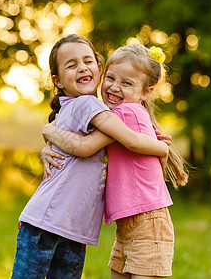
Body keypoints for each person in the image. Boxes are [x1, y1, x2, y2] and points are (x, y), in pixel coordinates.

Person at [11, 35, 170, 279]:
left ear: (98, 67)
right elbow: (102, 144)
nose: (82, 68)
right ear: (57, 80)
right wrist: (161, 148)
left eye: (88, 61)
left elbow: (119, 141)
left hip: (65, 226)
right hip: (58, 224)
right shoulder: (88, 105)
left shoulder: (93, 109)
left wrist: (48, 132)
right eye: (71, 65)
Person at [42, 44, 189, 278]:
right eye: (110, 78)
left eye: (127, 83)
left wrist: (48, 131)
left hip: (147, 223)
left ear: (145, 92)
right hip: (130, 226)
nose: (114, 87)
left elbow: (84, 146)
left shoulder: (123, 114)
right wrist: (47, 148)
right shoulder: (121, 116)